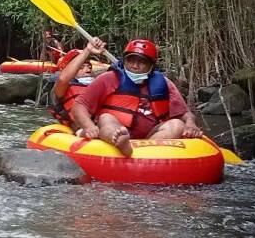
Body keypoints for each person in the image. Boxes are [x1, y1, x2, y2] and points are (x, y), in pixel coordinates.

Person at [71, 39, 203, 157]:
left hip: (152, 137)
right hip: (117, 128)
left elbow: (185, 114)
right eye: (131, 60)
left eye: (142, 62)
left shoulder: (164, 83)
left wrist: (191, 124)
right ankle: (119, 140)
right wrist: (88, 126)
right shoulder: (108, 78)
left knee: (177, 124)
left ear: (151, 66)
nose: (135, 66)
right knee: (106, 118)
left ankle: (145, 153)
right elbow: (80, 105)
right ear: (124, 61)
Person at [49, 37, 107, 129]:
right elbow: (63, 79)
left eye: (89, 66)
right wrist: (88, 49)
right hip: (79, 126)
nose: (88, 69)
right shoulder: (62, 86)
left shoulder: (101, 85)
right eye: (81, 67)